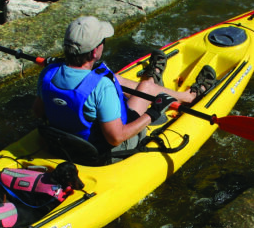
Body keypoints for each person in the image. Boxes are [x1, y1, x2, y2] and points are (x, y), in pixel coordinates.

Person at [32, 15, 215, 156]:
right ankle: (186, 96)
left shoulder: (48, 73)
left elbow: (39, 112)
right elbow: (116, 138)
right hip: (102, 151)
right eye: (103, 41)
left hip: (65, 142)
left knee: (113, 77)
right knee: (146, 89)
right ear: (95, 51)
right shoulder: (101, 87)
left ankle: (153, 78)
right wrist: (152, 113)